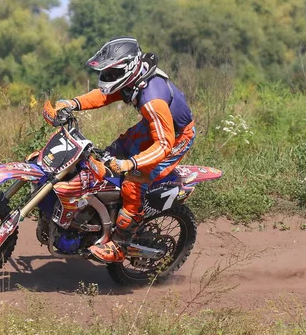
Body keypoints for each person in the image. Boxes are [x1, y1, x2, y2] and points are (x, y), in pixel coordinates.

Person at [43, 37, 195, 263]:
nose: (107, 78)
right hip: (151, 128)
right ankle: (100, 218)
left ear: (128, 68)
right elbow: (104, 94)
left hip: (174, 138)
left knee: (133, 181)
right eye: (107, 73)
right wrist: (72, 103)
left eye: (112, 73)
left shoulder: (153, 100)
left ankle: (120, 244)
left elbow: (163, 144)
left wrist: (130, 164)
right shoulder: (133, 80)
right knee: (107, 157)